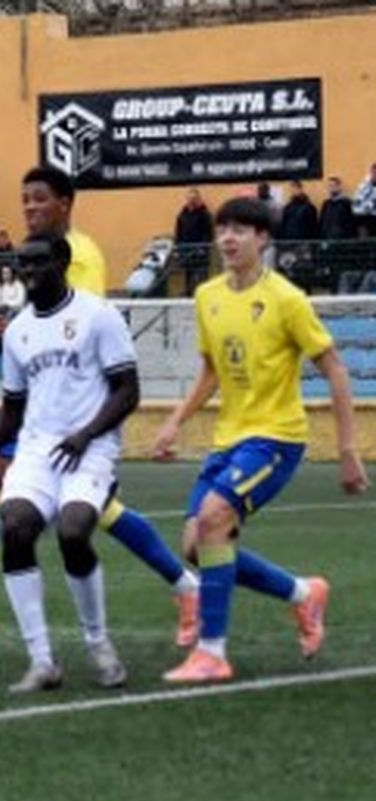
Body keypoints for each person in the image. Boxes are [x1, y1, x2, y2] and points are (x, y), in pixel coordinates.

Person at [0, 167, 200, 643]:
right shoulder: (41, 256)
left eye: (40, 200)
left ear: (66, 204)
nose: (29, 208)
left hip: (76, 417)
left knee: (1, 486)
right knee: (65, 502)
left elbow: (81, 334)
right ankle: (185, 586)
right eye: (25, 199)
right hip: (47, 413)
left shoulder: (80, 255)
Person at [152, 197, 367, 683]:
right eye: (223, 228)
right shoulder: (207, 295)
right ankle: (302, 594)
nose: (229, 238)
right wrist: (175, 421)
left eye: (241, 230)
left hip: (277, 438)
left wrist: (348, 451)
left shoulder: (287, 299)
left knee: (212, 521)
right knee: (194, 545)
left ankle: (212, 652)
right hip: (229, 438)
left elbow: (334, 367)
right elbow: (211, 370)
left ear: (264, 239)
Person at [0, 233, 139, 692]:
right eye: (22, 265)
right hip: (36, 451)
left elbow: (129, 390)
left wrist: (86, 435)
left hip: (92, 448)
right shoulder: (19, 330)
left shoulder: (98, 315)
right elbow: (12, 406)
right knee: (15, 528)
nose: (28, 272)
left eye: (38, 263)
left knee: (72, 533)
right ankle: (42, 661)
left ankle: (98, 643)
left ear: (62, 262)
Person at [174, 188, 215, 294]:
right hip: (186, 250)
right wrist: (177, 250)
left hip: (201, 251)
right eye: (190, 198)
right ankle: (189, 293)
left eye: (194, 198)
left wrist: (203, 247)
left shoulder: (205, 214)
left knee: (201, 274)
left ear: (198, 199)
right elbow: (178, 233)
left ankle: (203, 293)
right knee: (188, 273)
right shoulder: (182, 215)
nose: (192, 201)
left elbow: (209, 233)